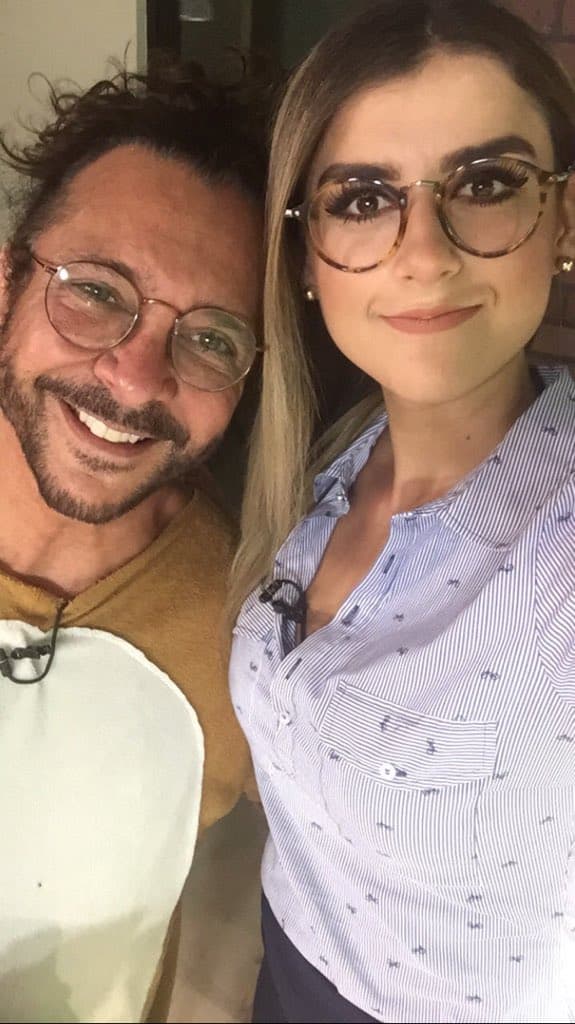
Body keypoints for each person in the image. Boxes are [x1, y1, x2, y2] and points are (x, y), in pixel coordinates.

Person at [228, 1, 575, 1021]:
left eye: (484, 183)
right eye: (362, 198)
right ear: (304, 254)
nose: (422, 253)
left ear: (561, 219)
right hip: (282, 959)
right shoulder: (310, 470)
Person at [0, 63, 268, 1023]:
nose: (136, 375)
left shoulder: (253, 643)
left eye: (212, 339)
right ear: (6, 282)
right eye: (95, 291)